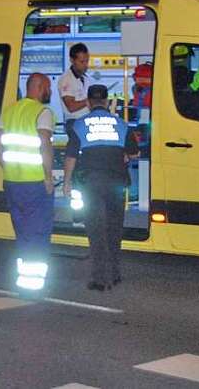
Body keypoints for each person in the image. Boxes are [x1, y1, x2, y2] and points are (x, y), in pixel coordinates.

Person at [62, 84, 138, 292]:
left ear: (88, 102)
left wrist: (67, 181)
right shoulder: (121, 124)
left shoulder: (79, 124)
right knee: (114, 229)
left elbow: (71, 156)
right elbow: (134, 153)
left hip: (91, 184)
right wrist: (123, 154)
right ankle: (114, 274)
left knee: (96, 230)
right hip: (116, 183)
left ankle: (100, 279)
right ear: (106, 102)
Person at [0, 73, 55, 297]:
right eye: (47, 87)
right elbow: (44, 144)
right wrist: (48, 177)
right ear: (38, 86)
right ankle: (33, 286)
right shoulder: (42, 112)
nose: (49, 91)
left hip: (12, 182)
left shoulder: (10, 111)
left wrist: (6, 166)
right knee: (38, 233)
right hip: (35, 183)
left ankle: (24, 281)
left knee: (23, 232)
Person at [57, 43, 92, 136]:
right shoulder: (66, 79)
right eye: (82, 62)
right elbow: (71, 107)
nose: (85, 65)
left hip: (86, 120)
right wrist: (88, 101)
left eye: (87, 61)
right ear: (72, 60)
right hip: (74, 123)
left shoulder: (85, 78)